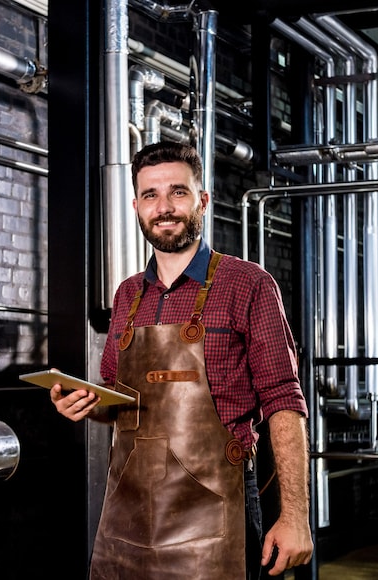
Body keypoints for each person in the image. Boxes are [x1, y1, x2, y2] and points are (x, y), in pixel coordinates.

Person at [50, 141, 313, 579]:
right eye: (150, 195)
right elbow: (120, 399)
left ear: (202, 200)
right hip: (131, 510)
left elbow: (284, 400)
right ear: (136, 206)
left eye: (178, 192)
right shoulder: (128, 295)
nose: (164, 207)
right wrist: (88, 404)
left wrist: (295, 516)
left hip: (216, 506)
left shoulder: (248, 284)